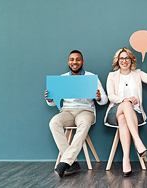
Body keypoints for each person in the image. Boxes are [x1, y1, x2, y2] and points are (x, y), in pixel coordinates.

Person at [45, 50, 108, 178]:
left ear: (82, 62)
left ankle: (66, 161)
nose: (75, 62)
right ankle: (71, 162)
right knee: (54, 122)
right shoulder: (63, 78)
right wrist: (50, 99)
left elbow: (104, 101)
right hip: (67, 111)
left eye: (78, 59)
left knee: (84, 123)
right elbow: (53, 103)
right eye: (72, 59)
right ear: (68, 62)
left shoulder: (91, 77)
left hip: (86, 111)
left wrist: (99, 97)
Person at [105, 46, 147, 177]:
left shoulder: (137, 74)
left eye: (127, 58)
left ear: (131, 60)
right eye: (121, 58)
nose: (124, 61)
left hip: (136, 114)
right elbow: (111, 96)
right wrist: (126, 99)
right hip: (115, 112)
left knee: (124, 119)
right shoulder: (112, 76)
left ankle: (126, 160)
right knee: (126, 104)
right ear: (117, 61)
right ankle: (138, 142)